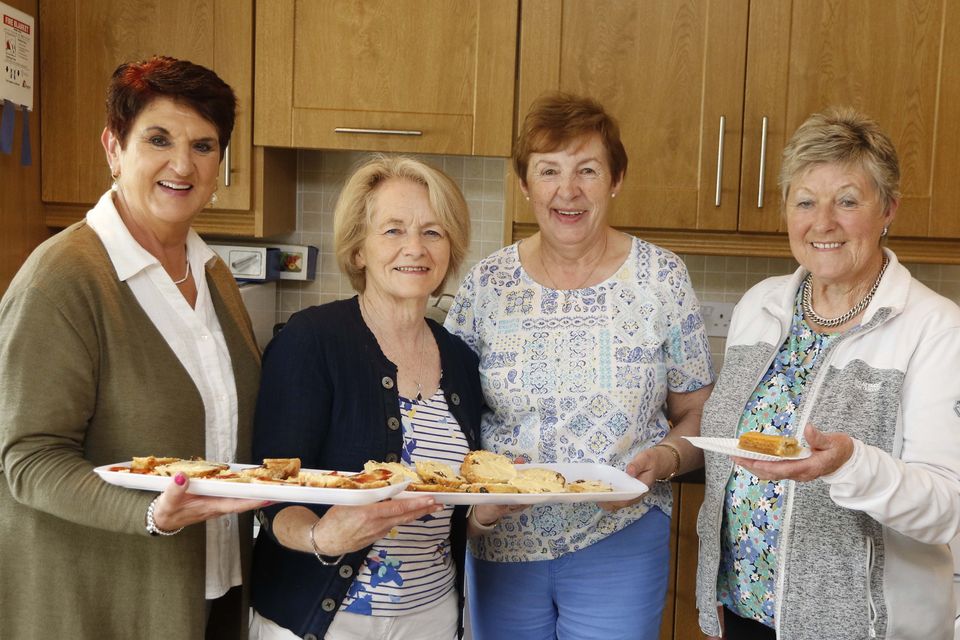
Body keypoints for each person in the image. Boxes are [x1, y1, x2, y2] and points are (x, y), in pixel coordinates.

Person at [0, 56, 265, 639]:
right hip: (101, 604)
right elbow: (28, 459)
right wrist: (147, 512)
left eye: (204, 145)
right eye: (158, 139)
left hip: (214, 588)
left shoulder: (214, 273)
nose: (182, 164)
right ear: (114, 148)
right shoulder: (63, 279)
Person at [443, 92, 715, 640]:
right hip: (503, 540)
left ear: (615, 180)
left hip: (620, 535)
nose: (568, 191)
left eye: (587, 170)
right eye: (549, 171)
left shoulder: (661, 279)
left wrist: (663, 459)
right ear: (525, 185)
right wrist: (473, 512)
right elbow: (448, 417)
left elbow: (698, 411)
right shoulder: (485, 287)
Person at [695, 107, 960, 640]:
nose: (823, 223)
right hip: (745, 611)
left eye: (847, 201)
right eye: (806, 201)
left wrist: (850, 464)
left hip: (861, 627)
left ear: (888, 210)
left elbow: (947, 507)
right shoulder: (760, 306)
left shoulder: (937, 329)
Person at [249, 156, 499, 640]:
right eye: (392, 231)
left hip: (432, 619)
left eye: (433, 231)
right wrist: (321, 537)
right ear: (359, 250)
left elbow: (447, 518)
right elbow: (268, 489)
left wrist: (484, 516)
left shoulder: (461, 360)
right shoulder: (312, 341)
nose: (415, 247)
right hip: (323, 623)